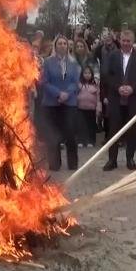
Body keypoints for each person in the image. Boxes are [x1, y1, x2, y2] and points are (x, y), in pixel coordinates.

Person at [102, 29, 136, 171]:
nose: (126, 43)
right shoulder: (112, 56)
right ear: (120, 40)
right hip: (116, 98)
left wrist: (132, 88)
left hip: (134, 99)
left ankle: (130, 159)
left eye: (129, 41)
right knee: (114, 130)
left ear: (133, 42)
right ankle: (112, 160)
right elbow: (106, 75)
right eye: (123, 40)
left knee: (132, 130)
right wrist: (118, 88)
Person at [40, 35, 80, 171]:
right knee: (53, 134)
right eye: (59, 43)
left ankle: (73, 163)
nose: (62, 45)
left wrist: (67, 94)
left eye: (64, 43)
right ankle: (55, 163)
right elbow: (44, 82)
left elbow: (75, 82)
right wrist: (58, 93)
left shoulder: (73, 63)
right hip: (52, 102)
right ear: (55, 46)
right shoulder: (47, 62)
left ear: (67, 46)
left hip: (69, 103)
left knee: (70, 133)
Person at [76, 66, 101, 148]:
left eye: (89, 73)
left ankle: (91, 141)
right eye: (85, 73)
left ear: (92, 74)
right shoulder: (79, 84)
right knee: (80, 125)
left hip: (91, 109)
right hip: (80, 108)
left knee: (91, 125)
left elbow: (98, 97)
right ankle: (80, 140)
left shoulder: (95, 84)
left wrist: (98, 108)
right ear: (82, 74)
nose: (87, 75)